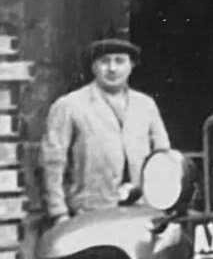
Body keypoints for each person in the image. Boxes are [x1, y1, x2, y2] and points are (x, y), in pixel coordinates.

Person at [40, 36, 171, 222]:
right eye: (104, 62)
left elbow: (163, 155)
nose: (112, 68)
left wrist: (161, 201)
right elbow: (52, 162)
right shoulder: (69, 105)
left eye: (120, 61)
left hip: (141, 210)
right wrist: (58, 212)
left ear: (131, 65)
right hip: (88, 212)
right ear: (94, 67)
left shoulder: (146, 105)